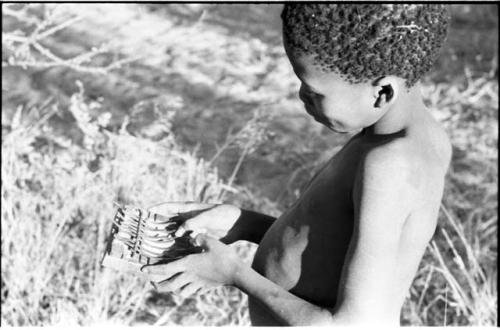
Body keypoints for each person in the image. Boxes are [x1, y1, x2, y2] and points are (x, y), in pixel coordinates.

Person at [141, 4, 452, 326]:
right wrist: (243, 223)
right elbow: (328, 248)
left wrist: (234, 272)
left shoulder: (391, 165)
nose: (302, 97)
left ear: (382, 92)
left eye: (315, 92)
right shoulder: (393, 138)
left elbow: (354, 324)